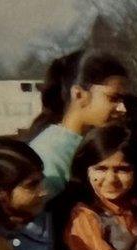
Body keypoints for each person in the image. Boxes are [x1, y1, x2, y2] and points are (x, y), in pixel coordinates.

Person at [28, 50, 129, 201]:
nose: (122, 108)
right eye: (113, 98)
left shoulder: (101, 142)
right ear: (79, 94)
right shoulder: (49, 154)